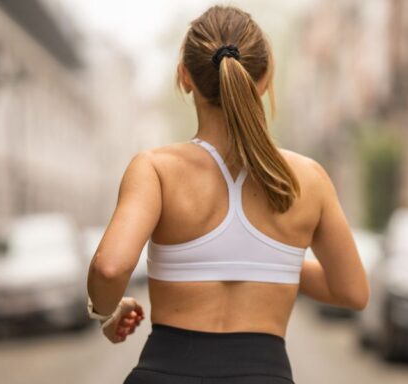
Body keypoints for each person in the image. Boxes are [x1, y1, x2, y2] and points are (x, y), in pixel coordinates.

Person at [86, 5, 369, 384]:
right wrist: (272, 262)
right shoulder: (308, 178)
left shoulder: (156, 169)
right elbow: (352, 291)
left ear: (185, 77)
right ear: (266, 79)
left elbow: (110, 267)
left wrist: (107, 312)